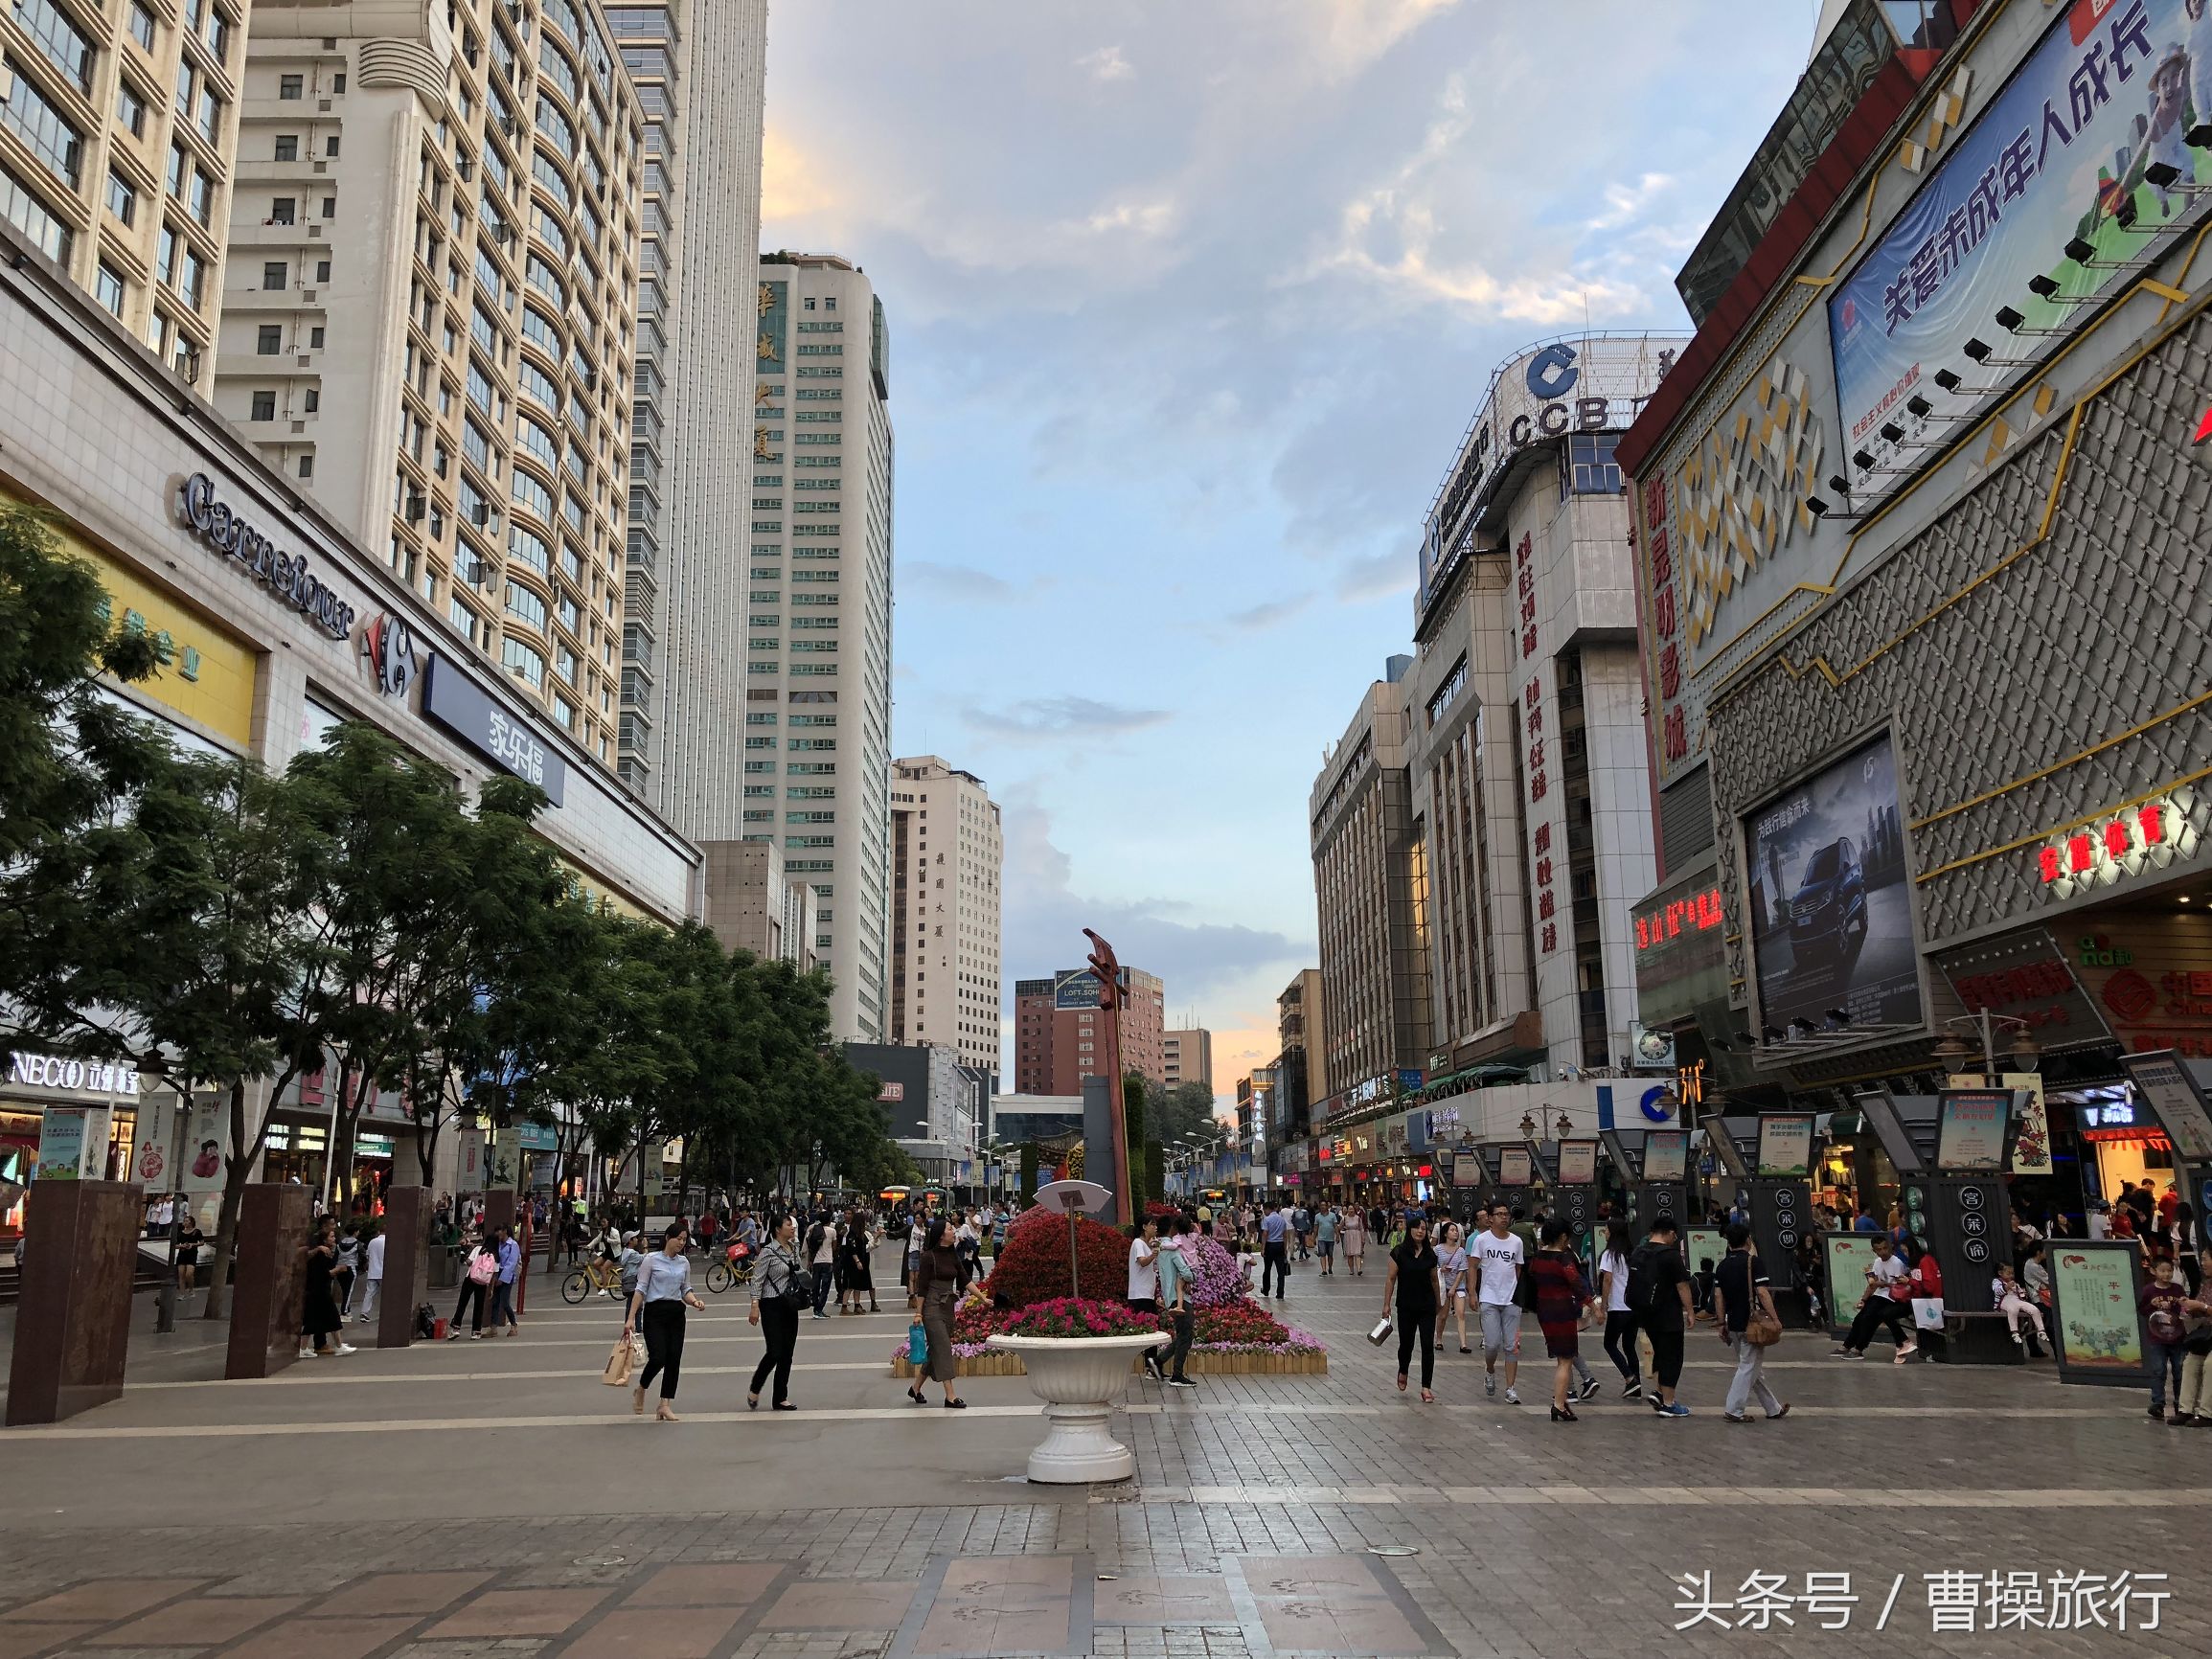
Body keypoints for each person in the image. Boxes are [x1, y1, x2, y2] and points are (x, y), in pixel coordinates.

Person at [624, 1225, 705, 1421]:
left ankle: (664, 1404)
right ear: (668, 1237)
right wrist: (631, 1318)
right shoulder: (651, 1260)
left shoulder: (683, 1262)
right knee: (658, 1357)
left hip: (676, 1313)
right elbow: (641, 1289)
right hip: (654, 1313)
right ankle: (642, 1388)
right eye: (678, 1238)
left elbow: (685, 1289)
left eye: (684, 1239)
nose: (681, 1243)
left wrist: (694, 1301)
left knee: (674, 1359)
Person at [1715, 1223, 1790, 1423]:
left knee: (1751, 1366)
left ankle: (1773, 1408)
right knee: (1748, 1366)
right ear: (1748, 1240)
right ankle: (1734, 1409)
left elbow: (1718, 1297)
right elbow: (1762, 1293)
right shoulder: (1753, 1262)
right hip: (1752, 1323)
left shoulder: (1721, 1266)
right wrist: (1775, 1319)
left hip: (1733, 1323)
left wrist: (1722, 1323)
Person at [1530, 1217, 1592, 1421]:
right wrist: (1594, 1307)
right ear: (1564, 1236)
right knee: (1566, 1359)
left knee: (1560, 1358)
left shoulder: (1538, 1258)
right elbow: (1577, 1284)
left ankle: (1562, 1399)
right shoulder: (1563, 1259)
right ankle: (1558, 1405)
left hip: (1544, 1311)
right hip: (1563, 1311)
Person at [1634, 1216, 1694, 1417]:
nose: (1674, 1239)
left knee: (1660, 1353)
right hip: (1668, 1314)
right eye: (1674, 1236)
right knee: (1672, 1357)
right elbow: (1682, 1285)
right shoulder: (1670, 1255)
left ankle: (1659, 1393)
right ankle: (1668, 1403)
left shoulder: (1640, 1252)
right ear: (1668, 1233)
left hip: (1647, 1313)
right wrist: (1691, 1310)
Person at [906, 1217, 968, 1409]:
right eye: (950, 1229)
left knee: (935, 1351)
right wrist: (918, 1313)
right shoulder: (928, 1257)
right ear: (942, 1235)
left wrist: (983, 1298)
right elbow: (922, 1289)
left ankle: (915, 1388)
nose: (954, 1231)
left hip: (947, 1306)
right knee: (943, 1348)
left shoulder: (952, 1255)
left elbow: (965, 1279)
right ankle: (950, 1396)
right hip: (931, 1308)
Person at [748, 1214, 806, 1411]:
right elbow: (757, 1279)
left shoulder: (794, 1248)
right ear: (777, 1229)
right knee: (774, 1351)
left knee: (787, 1353)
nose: (793, 1227)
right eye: (788, 1224)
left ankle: (780, 1397)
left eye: (793, 1224)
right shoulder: (768, 1252)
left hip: (790, 1304)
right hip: (771, 1304)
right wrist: (754, 1305)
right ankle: (755, 1387)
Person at [1471, 1204, 1525, 1404]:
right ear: (1490, 1219)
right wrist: (1472, 1293)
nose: (1504, 1218)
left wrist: (1516, 1294)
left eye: (1506, 1214)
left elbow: (1518, 1269)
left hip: (1511, 1300)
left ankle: (1511, 1388)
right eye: (1499, 1214)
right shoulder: (1481, 1240)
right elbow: (1473, 1267)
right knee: (1492, 1344)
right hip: (1489, 1298)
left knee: (1511, 1346)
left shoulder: (1516, 1242)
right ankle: (1490, 1370)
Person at [1384, 1214, 1441, 1400]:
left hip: (1427, 1305)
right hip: (1406, 1305)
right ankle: (1403, 1369)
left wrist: (1439, 1303)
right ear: (1410, 1230)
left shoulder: (1430, 1255)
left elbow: (1434, 1280)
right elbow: (1391, 1279)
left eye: (1424, 1229)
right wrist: (1386, 1305)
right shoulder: (1399, 1252)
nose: (1420, 1231)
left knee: (1427, 1346)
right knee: (1406, 1344)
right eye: (1417, 1228)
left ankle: (1426, 1387)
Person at [1832, 1233, 1915, 1359]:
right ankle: (1852, 1346)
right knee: (1862, 1318)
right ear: (1874, 1251)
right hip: (1880, 1296)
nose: (1883, 1252)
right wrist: (1864, 1299)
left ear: (1889, 1247)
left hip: (1891, 1297)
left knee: (1867, 1318)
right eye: (1879, 1250)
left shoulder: (1897, 1263)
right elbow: (1872, 1284)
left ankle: (1854, 1347)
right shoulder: (1877, 1262)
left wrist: (1883, 1284)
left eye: (1884, 1248)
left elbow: (1900, 1287)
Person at [2142, 1253, 2190, 1423]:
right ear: (2154, 1271)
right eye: (2162, 1271)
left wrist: (2180, 1304)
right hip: (2157, 1338)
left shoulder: (2177, 1289)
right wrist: (2152, 1305)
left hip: (2177, 1337)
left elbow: (2185, 1311)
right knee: (2158, 1370)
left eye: (2169, 1271)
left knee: (2179, 1370)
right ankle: (2157, 1403)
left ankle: (2180, 1403)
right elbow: (2142, 1310)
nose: (2166, 1274)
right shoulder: (2148, 1290)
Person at [1597, 1222, 1642, 1398]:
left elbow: (1607, 1280)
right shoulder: (1632, 1254)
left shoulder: (1610, 1254)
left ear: (1613, 1233)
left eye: (1607, 1230)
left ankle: (1630, 1378)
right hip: (1633, 1307)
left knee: (1609, 1344)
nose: (1605, 1233)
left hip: (1618, 1307)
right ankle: (1636, 1386)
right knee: (1629, 1345)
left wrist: (1603, 1304)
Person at [299, 1217, 353, 1359]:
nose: (334, 1229)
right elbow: (323, 1272)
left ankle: (331, 1345)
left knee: (320, 1319)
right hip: (317, 1289)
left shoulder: (326, 1250)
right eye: (331, 1227)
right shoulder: (318, 1247)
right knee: (327, 1318)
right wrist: (339, 1269)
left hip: (319, 1289)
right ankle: (336, 1346)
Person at [1157, 1215, 1197, 1388]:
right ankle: (1177, 1375)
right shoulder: (1173, 1250)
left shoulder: (1160, 1248)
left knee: (1182, 1335)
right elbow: (1185, 1272)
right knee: (1186, 1335)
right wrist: (1192, 1277)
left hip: (1169, 1297)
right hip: (1181, 1298)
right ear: (1172, 1228)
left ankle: (1159, 1361)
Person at [2176, 1246, 2212, 1426]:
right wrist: (2188, 1307)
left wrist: (2203, 1307)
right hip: (2207, 1335)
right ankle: (2185, 1410)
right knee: (2191, 1362)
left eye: (2206, 1259)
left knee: (2210, 1364)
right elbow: (2199, 1310)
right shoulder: (2206, 1284)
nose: (2203, 1263)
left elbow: (2204, 1308)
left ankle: (2207, 1413)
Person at [1128, 1217, 1165, 1380]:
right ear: (1144, 1227)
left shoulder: (1146, 1245)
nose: (1155, 1228)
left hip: (1146, 1294)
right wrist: (1153, 1255)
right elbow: (1142, 1262)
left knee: (1152, 1328)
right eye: (1152, 1225)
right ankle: (1151, 1366)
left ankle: (1151, 1366)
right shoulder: (1138, 1243)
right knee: (1151, 1329)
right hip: (1140, 1295)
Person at [448, 1232, 499, 1339]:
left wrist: (466, 1257)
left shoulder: (478, 1249)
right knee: (479, 1307)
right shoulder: (496, 1255)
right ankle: (476, 1332)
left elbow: (469, 1262)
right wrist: (491, 1289)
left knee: (462, 1303)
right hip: (483, 1283)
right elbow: (494, 1273)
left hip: (470, 1278)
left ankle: (456, 1328)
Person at [1992, 1262, 2046, 1355]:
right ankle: (2014, 1331)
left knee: (2034, 1309)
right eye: (2008, 1273)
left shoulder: (2015, 1283)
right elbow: (1997, 1290)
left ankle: (2041, 1329)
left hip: (2016, 1301)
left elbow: (2020, 1294)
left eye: (2012, 1273)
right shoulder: (1997, 1281)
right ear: (2000, 1273)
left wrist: (2023, 1293)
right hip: (2005, 1302)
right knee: (2012, 1310)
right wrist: (2006, 1287)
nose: (2011, 1275)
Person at [1433, 1221, 1471, 1353]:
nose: (1455, 1232)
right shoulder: (1437, 1249)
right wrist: (1441, 1269)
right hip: (1443, 1285)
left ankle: (1463, 1344)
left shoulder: (1460, 1250)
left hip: (1457, 1285)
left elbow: (1462, 1270)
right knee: (1443, 1315)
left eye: (1456, 1230)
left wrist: (1454, 1287)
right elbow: (1433, 1267)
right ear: (1445, 1233)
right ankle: (1438, 1339)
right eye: (1452, 1230)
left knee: (1460, 1313)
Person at [490, 1224, 521, 1337]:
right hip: (497, 1273)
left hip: (507, 1276)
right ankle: (493, 1327)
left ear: (505, 1231)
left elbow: (511, 1263)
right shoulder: (497, 1244)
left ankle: (513, 1324)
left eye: (499, 1231)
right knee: (495, 1302)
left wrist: (502, 1278)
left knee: (504, 1302)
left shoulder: (513, 1245)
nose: (497, 1233)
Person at [806, 1212, 837, 1319]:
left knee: (816, 1285)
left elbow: (810, 1246)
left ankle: (815, 1306)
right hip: (827, 1261)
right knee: (825, 1287)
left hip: (816, 1261)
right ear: (829, 1220)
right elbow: (834, 1247)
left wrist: (810, 1260)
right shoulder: (832, 1231)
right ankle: (819, 1309)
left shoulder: (813, 1230)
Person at [355, 1224, 386, 1325]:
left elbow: (367, 1256)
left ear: (379, 1231)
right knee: (385, 1294)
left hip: (373, 1271)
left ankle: (364, 1312)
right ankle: (385, 1313)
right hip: (383, 1272)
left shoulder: (372, 1242)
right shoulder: (387, 1242)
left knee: (369, 1293)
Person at [1260, 1200, 1289, 1300]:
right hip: (1280, 1245)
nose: (1264, 1212)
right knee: (1280, 1271)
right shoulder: (1282, 1219)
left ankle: (1266, 1289)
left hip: (1270, 1245)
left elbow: (1265, 1234)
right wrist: (1285, 1249)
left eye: (1264, 1209)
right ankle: (1280, 1292)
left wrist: (1263, 1248)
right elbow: (1285, 1235)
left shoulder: (1267, 1220)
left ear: (1269, 1209)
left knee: (1267, 1269)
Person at [333, 1222, 361, 1317]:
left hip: (340, 1268)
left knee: (345, 1290)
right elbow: (363, 1255)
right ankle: (344, 1312)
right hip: (351, 1268)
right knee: (349, 1291)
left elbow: (335, 1257)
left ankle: (348, 1310)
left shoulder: (339, 1244)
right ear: (355, 1232)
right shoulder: (357, 1244)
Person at [174, 1208, 205, 1294]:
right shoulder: (181, 1233)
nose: (185, 1222)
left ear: (191, 1222)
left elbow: (202, 1242)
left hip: (192, 1254)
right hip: (182, 1254)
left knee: (189, 1273)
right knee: (181, 1275)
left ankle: (191, 1288)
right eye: (184, 1221)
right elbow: (175, 1245)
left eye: (187, 1221)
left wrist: (193, 1245)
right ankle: (182, 1293)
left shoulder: (197, 1232)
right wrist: (182, 1246)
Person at [1340, 1205, 1367, 1278]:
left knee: (1357, 1253)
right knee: (1350, 1254)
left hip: (1357, 1235)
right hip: (1348, 1236)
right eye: (1349, 1209)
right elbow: (1340, 1227)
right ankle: (1351, 1270)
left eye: (1352, 1209)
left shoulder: (1358, 1218)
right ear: (1347, 1210)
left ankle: (1359, 1270)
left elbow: (1361, 1228)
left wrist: (1363, 1237)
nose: (1351, 1210)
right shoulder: (1345, 1219)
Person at [1315, 1204, 1338, 1276]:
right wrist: (1313, 1238)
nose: (1322, 1206)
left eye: (1324, 1205)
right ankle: (1324, 1270)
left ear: (1327, 1207)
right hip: (1321, 1238)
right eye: (1321, 1205)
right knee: (1322, 1254)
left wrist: (1337, 1235)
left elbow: (1335, 1226)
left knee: (1330, 1255)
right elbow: (1316, 1227)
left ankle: (1330, 1268)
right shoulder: (1317, 1216)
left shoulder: (1332, 1215)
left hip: (1330, 1238)